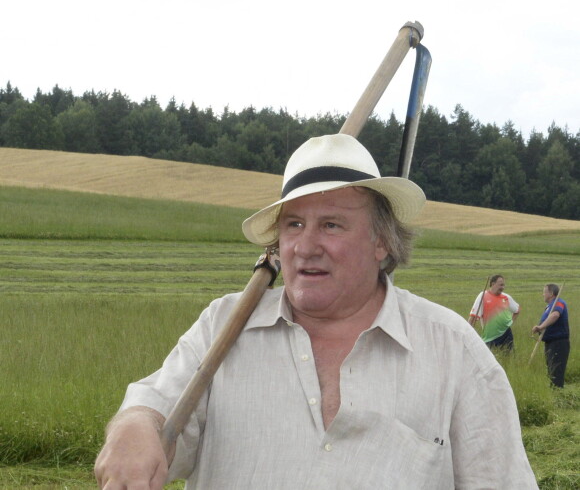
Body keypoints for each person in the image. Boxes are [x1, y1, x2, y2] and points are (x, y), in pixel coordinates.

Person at [95, 134, 537, 489]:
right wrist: (132, 428)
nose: (306, 247)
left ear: (380, 242)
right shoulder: (225, 326)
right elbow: (157, 407)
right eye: (294, 224)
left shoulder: (452, 349)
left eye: (331, 224)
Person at [468, 274, 521, 351]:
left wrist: (511, 322)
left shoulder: (506, 297)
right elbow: (473, 317)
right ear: (493, 284)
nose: (503, 287)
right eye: (501, 285)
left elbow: (517, 310)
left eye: (504, 285)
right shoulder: (483, 296)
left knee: (508, 359)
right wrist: (468, 334)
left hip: (506, 334)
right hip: (489, 337)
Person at [532, 283, 570, 388]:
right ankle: (554, 392)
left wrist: (541, 327)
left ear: (551, 293)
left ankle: (558, 394)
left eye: (544, 292)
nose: (542, 294)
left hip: (559, 343)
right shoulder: (550, 305)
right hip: (550, 343)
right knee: (551, 370)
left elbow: (555, 315)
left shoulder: (558, 302)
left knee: (556, 371)